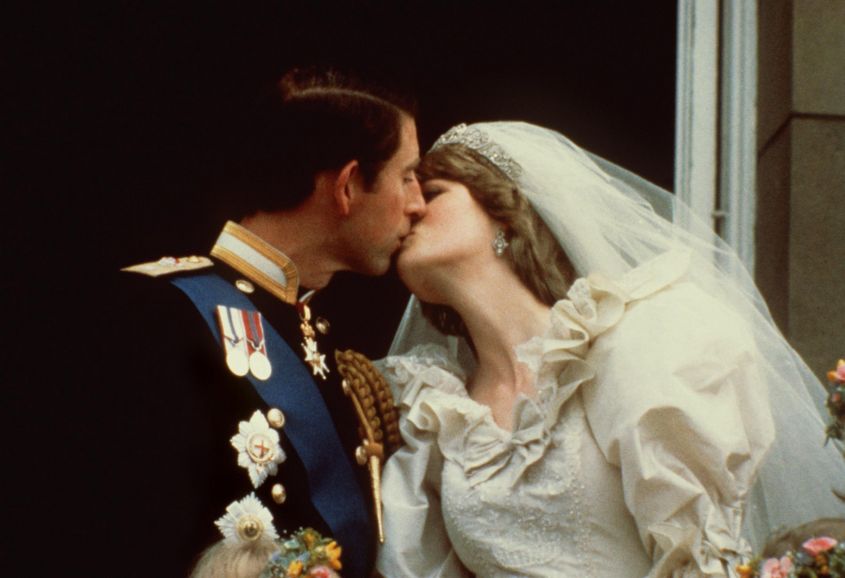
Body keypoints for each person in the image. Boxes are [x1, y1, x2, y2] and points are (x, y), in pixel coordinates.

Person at [375, 122, 845, 577]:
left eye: (433, 192)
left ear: (502, 210)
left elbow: (700, 561)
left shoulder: (639, 345)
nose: (410, 209)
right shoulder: (435, 413)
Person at [85, 68, 425, 578]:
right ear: (348, 186)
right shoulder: (163, 311)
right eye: (407, 176)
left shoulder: (315, 330)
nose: (418, 203)